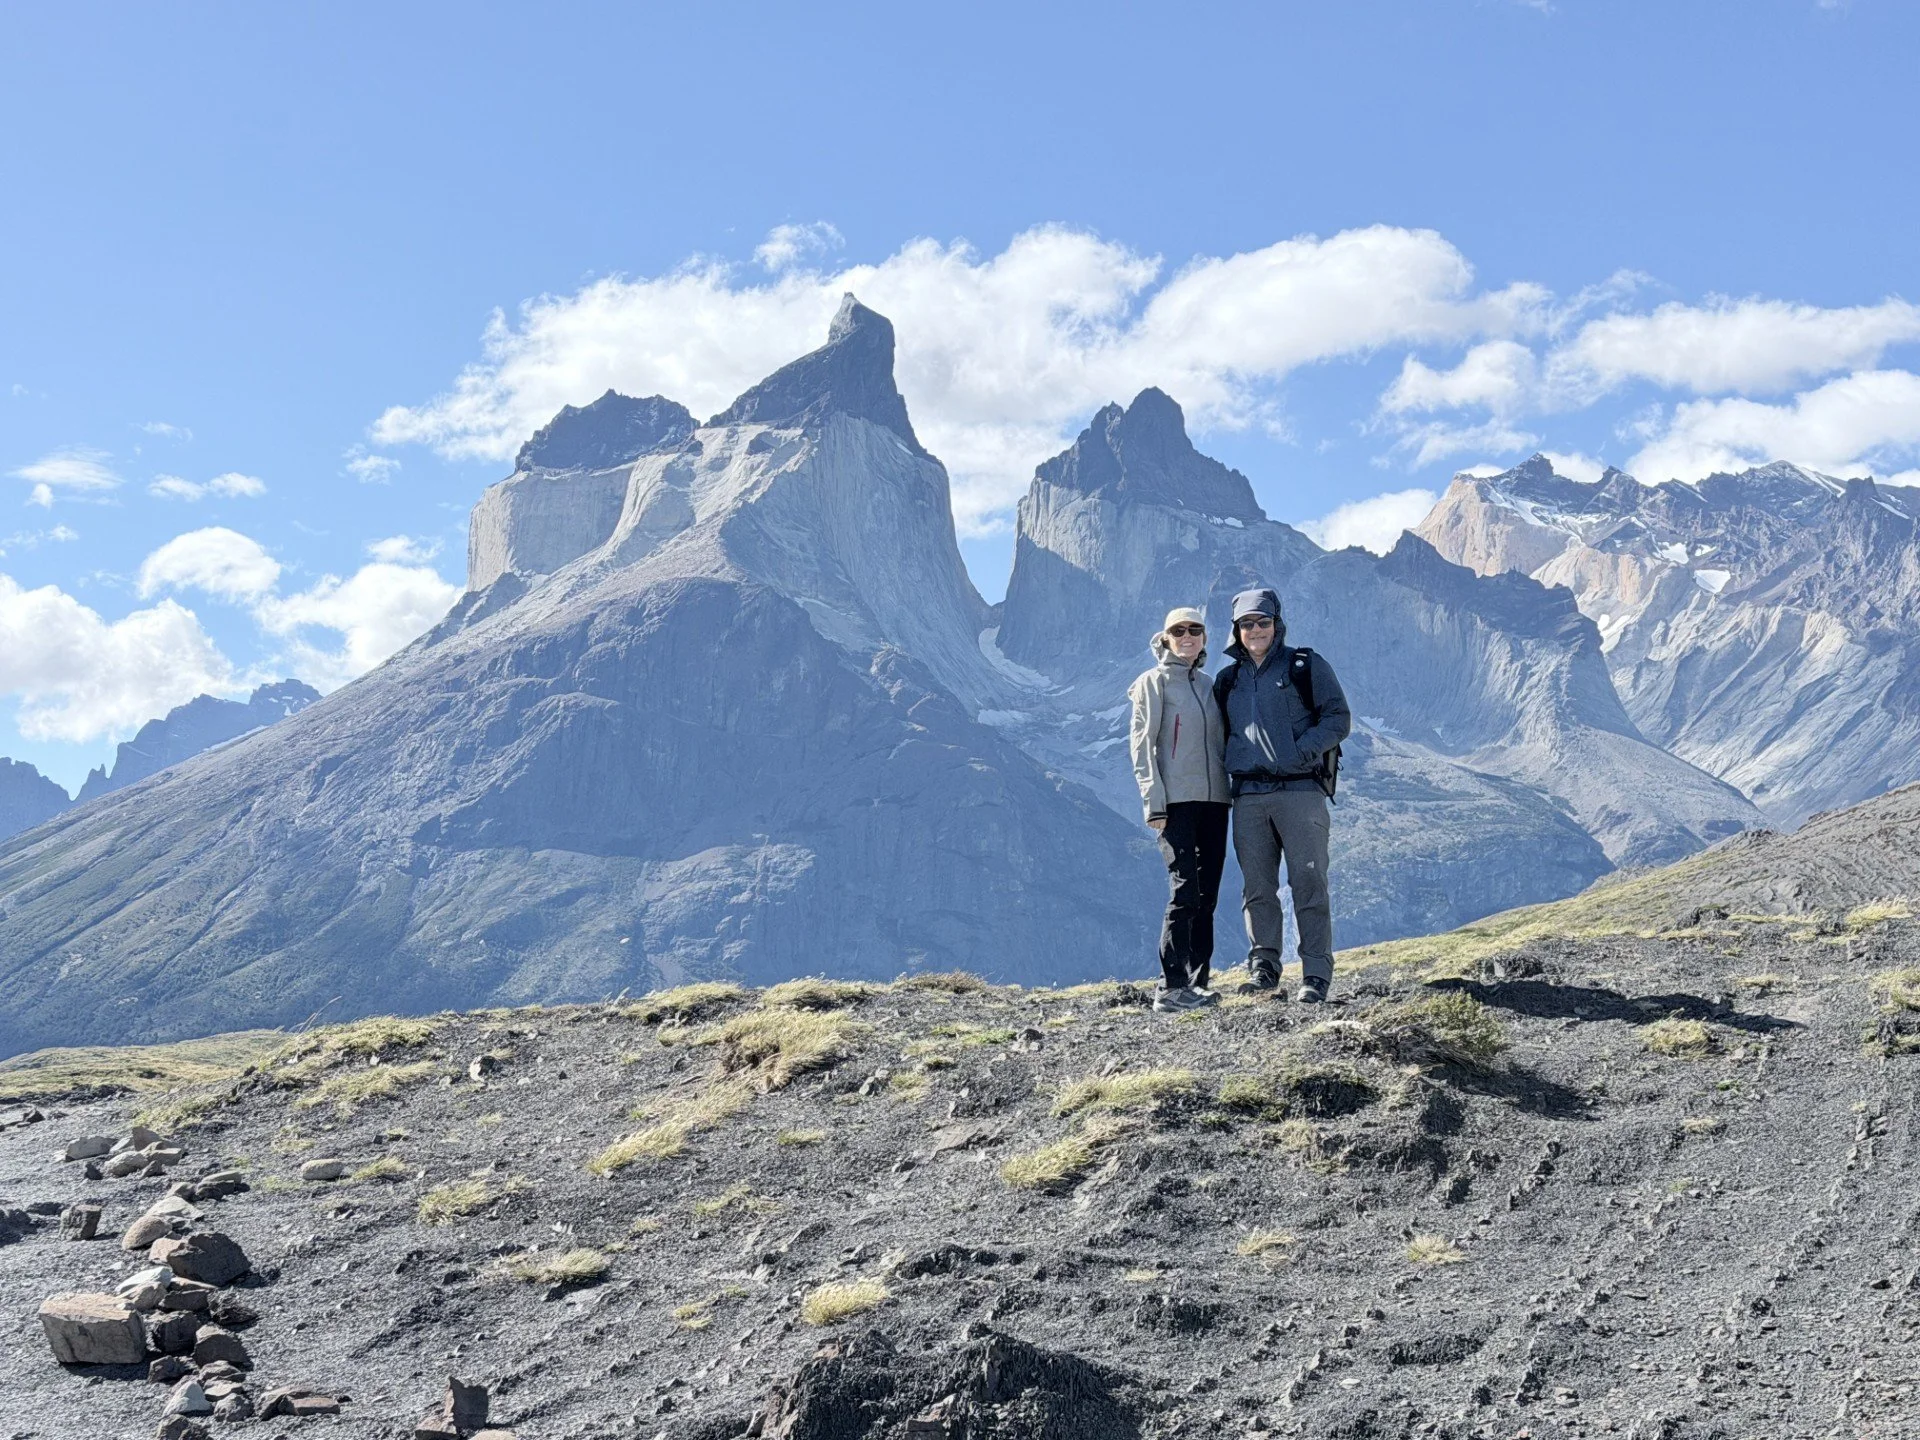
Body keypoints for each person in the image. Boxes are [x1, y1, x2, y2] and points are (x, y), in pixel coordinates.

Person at [1213, 587, 1352, 1003]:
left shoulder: (1304, 666)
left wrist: (1300, 750)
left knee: (1309, 883)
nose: (1255, 630)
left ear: (1277, 623)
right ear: (1235, 630)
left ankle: (1315, 975)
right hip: (1249, 797)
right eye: (1247, 624)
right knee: (1257, 887)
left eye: (1263, 621)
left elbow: (1338, 718)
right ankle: (1264, 969)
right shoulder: (1227, 680)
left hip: (1300, 792)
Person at [1128, 606, 1230, 1013]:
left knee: (1208, 895)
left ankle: (1196, 983)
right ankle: (1170, 988)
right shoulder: (1152, 683)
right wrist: (1153, 802)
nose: (1187, 635)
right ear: (1165, 638)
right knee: (1184, 890)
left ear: (1205, 637)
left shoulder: (1208, 685)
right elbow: (1142, 745)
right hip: (1175, 803)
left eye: (1195, 629)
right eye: (1178, 630)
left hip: (1215, 801)